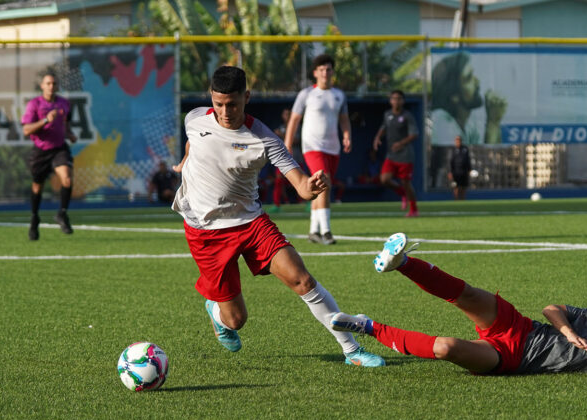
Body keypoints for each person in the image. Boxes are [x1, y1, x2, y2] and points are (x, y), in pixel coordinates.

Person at [171, 65, 384, 367]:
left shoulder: (264, 139)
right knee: (236, 320)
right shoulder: (194, 118)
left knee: (303, 280)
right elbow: (194, 141)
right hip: (205, 232)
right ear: (211, 98)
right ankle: (217, 314)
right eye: (218, 103)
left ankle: (352, 350)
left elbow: (300, 185)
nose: (224, 111)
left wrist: (311, 187)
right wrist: (185, 160)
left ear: (247, 96)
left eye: (232, 104)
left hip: (250, 223)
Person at [331, 233, 587, 383]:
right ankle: (402, 262)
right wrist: (568, 330)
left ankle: (367, 327)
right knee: (467, 295)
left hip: (512, 358)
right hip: (519, 326)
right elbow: (551, 309)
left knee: (446, 347)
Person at [285, 54, 352, 245]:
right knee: (325, 184)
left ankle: (313, 230)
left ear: (332, 72)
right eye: (321, 69)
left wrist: (347, 135)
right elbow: (294, 120)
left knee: (318, 187)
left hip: (333, 148)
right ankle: (326, 231)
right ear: (315, 73)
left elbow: (344, 118)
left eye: (328, 69)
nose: (325, 72)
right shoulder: (306, 94)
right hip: (312, 147)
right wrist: (288, 144)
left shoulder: (339, 95)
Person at [21, 73, 78, 241]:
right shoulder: (34, 104)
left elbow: (65, 125)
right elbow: (26, 130)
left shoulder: (64, 103)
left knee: (66, 179)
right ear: (42, 86)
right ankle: (34, 218)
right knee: (37, 187)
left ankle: (62, 213)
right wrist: (45, 120)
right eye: (48, 83)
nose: (51, 86)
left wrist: (70, 135)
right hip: (41, 151)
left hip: (59, 149)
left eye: (54, 83)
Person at [431, 51, 507, 146]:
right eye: (468, 78)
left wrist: (494, 121)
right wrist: (493, 123)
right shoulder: (441, 121)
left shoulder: (469, 123)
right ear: (454, 96)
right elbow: (487, 157)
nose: (477, 82)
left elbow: (492, 154)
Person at [373, 90, 419, 217]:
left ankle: (414, 209)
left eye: (399, 98)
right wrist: (377, 138)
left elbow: (414, 134)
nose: (396, 101)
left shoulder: (407, 116)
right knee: (384, 179)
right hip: (391, 155)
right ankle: (402, 193)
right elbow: (383, 128)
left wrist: (401, 143)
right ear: (390, 101)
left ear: (403, 101)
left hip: (405, 155)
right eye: (394, 98)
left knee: (406, 182)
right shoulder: (387, 115)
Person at [448, 135, 471, 200]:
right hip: (456, 172)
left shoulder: (465, 149)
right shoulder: (453, 150)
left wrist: (469, 170)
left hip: (464, 172)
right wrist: (450, 172)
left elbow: (468, 160)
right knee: (456, 187)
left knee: (463, 187)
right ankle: (456, 200)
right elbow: (451, 162)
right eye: (457, 140)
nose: (458, 142)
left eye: (459, 140)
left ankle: (462, 200)